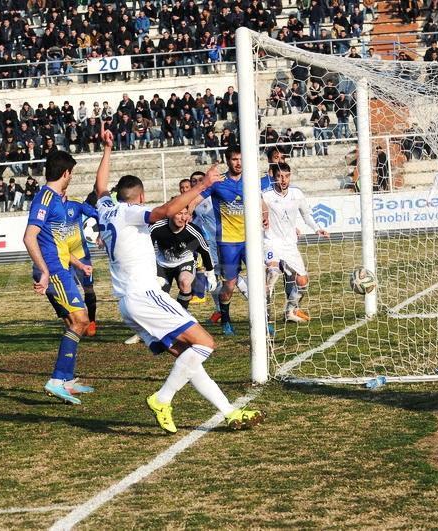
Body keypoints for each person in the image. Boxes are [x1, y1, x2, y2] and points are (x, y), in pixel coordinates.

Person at [94, 126, 265, 433]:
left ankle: (229, 412)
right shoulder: (130, 212)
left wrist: (107, 149)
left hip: (127, 303)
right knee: (205, 343)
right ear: (140, 197)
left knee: (189, 357)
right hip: (145, 296)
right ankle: (162, 398)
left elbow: (100, 187)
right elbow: (164, 210)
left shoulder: (106, 208)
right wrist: (204, 184)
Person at [22, 150, 93, 405]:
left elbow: (56, 242)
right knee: (80, 320)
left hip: (61, 268)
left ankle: (67, 381)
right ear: (66, 173)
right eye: (71, 173)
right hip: (53, 271)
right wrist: (44, 271)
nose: (71, 178)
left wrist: (78, 264)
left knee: (74, 322)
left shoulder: (55, 199)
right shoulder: (45, 198)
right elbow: (29, 237)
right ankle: (56, 380)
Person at [188, 147, 273, 335]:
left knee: (259, 282)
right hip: (227, 243)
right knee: (229, 285)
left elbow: (261, 202)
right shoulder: (218, 183)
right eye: (234, 159)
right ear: (228, 161)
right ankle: (225, 319)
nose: (238, 163)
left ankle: (265, 320)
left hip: (250, 241)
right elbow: (194, 200)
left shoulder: (250, 180)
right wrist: (188, 213)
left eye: (241, 159)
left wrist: (265, 215)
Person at [262, 163, 329, 324]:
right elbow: (260, 214)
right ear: (273, 177)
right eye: (279, 176)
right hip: (271, 242)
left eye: (286, 176)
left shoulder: (297, 193)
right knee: (272, 273)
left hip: (290, 244)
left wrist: (317, 229)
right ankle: (265, 313)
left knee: (302, 282)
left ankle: (290, 310)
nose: (283, 180)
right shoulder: (266, 195)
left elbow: (306, 214)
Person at [65, 193, 99, 336]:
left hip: (82, 255)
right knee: (68, 291)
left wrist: (101, 234)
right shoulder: (50, 207)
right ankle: (72, 322)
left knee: (88, 289)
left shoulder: (76, 204)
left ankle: (92, 322)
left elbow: (96, 214)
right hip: (62, 257)